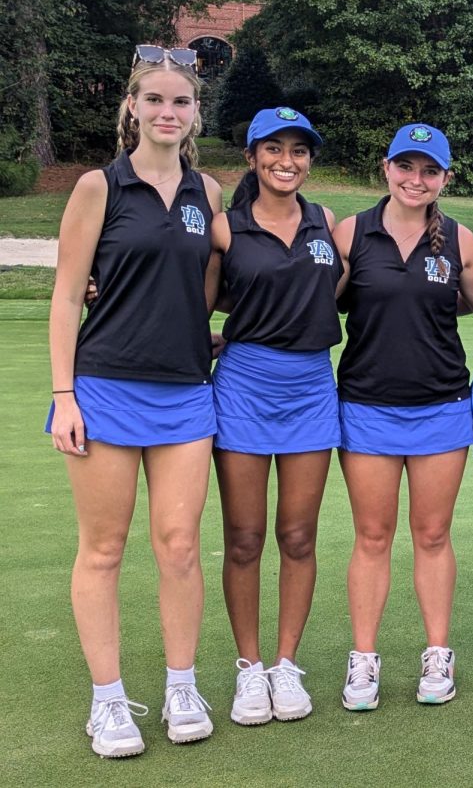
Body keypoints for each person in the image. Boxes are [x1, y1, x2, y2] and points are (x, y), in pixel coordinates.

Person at [47, 45, 223, 757]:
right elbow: (65, 294)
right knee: (104, 549)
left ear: (194, 115)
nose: (166, 112)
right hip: (105, 387)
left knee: (179, 546)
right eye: (153, 99)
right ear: (132, 107)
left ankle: (183, 684)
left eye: (179, 102)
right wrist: (63, 395)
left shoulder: (206, 194)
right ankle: (109, 700)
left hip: (185, 392)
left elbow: (226, 269)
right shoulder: (99, 187)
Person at [334, 124, 473, 711]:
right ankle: (364, 660)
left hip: (442, 407)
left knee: (431, 535)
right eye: (406, 167)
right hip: (367, 406)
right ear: (386, 168)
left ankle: (436, 654)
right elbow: (304, 299)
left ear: (444, 178)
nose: (415, 180)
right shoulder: (352, 234)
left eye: (429, 171)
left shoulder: (460, 241)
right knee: (372, 537)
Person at [209, 107, 343, 726]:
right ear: (252, 156)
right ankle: (249, 669)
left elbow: (354, 293)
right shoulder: (225, 228)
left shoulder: (327, 224)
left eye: (299, 150)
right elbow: (196, 302)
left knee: (297, 535)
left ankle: (287, 666)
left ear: (309, 159)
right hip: (243, 388)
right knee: (244, 538)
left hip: (312, 387)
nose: (286, 161)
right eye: (274, 149)